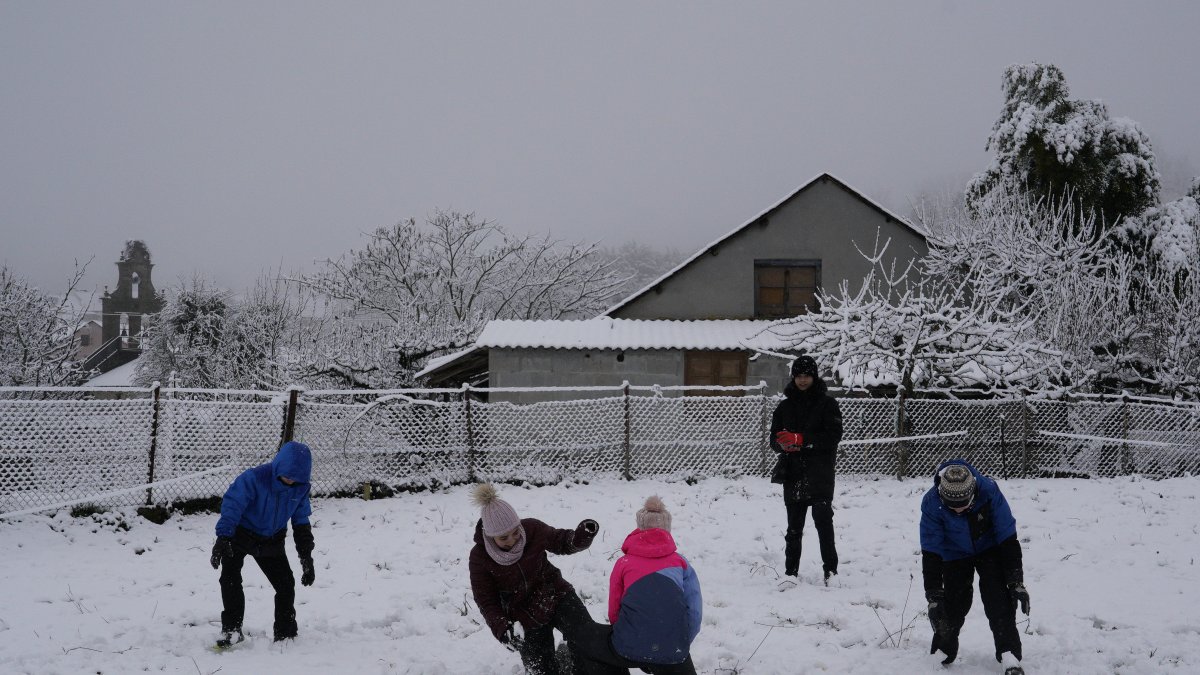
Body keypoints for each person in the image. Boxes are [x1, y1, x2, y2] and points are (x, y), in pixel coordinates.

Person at [469, 482, 618, 675]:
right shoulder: (480, 558)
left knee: (587, 638)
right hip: (522, 613)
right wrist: (501, 626)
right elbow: (485, 599)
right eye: (504, 537)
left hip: (555, 593)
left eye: (515, 531)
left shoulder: (531, 529)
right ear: (490, 536)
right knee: (541, 669)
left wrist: (579, 538)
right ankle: (558, 660)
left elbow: (560, 541)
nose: (513, 539)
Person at [920, 459, 1030, 675]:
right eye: (953, 506)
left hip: (989, 548)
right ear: (942, 497)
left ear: (973, 493)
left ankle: (1009, 656)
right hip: (954, 554)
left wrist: (1016, 581)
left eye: (964, 503)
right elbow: (931, 550)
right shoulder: (932, 503)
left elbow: (1008, 537)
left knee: (998, 600)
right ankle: (942, 653)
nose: (959, 510)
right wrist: (933, 596)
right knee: (951, 604)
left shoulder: (989, 491)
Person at [210, 440, 316, 647]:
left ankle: (285, 634)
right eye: (287, 475)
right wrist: (223, 537)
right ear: (279, 466)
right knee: (229, 579)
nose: (290, 480)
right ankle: (232, 629)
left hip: (271, 540)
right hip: (241, 535)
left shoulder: (300, 488)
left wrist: (306, 556)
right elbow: (232, 505)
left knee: (286, 585)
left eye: (295, 478)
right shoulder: (255, 478)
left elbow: (301, 522)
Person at [608, 496, 702, 675]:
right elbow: (695, 613)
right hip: (673, 646)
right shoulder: (680, 563)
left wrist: (624, 634)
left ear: (639, 528)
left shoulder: (623, 563)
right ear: (667, 530)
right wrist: (681, 641)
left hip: (628, 644)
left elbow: (614, 611)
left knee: (593, 646)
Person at [769, 355, 843, 581]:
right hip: (793, 473)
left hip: (820, 473)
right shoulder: (784, 406)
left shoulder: (827, 404)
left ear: (814, 377)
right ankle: (790, 573)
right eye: (798, 376)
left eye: (806, 376)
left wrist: (801, 439)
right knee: (793, 528)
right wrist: (782, 444)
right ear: (793, 378)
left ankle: (831, 572)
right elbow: (773, 439)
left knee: (823, 524)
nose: (802, 380)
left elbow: (833, 436)